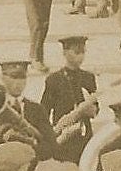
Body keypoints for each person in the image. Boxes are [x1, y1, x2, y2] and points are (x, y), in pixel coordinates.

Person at [41, 35, 99, 163]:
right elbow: (44, 110)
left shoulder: (88, 77)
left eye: (83, 52)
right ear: (64, 52)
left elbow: (96, 108)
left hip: (84, 135)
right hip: (63, 136)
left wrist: (91, 109)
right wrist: (53, 132)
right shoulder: (54, 79)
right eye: (76, 52)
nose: (81, 56)